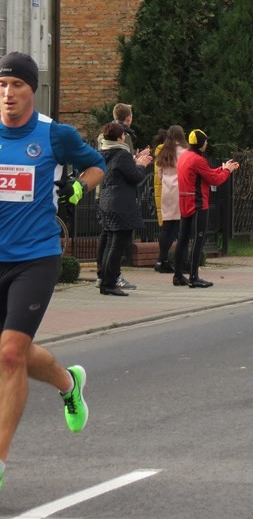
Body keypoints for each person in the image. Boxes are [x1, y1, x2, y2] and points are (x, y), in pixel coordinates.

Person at [0, 52, 105, 490]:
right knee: (14, 352)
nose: (8, 94)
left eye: (16, 85)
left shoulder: (54, 135)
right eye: (2, 85)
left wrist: (79, 186)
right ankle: (68, 383)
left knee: (10, 354)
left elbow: (97, 164)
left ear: (32, 90)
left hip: (36, 258)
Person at [173, 129, 240, 288]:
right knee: (199, 239)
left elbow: (206, 174)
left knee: (183, 239)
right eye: (206, 141)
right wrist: (227, 171)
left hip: (185, 201)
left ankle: (178, 275)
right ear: (202, 143)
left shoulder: (185, 156)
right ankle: (194, 277)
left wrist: (223, 168)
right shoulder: (198, 160)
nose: (207, 143)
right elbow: (214, 180)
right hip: (198, 203)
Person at [97, 122, 154, 295]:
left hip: (106, 202)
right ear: (120, 137)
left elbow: (120, 171)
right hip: (121, 204)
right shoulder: (122, 154)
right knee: (117, 246)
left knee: (110, 244)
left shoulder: (104, 152)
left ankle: (105, 281)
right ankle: (109, 283)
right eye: (123, 135)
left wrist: (134, 160)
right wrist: (142, 165)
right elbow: (135, 177)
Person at [154, 125, 188, 274]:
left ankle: (162, 260)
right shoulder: (185, 151)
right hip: (181, 190)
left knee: (167, 227)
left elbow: (159, 173)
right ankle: (183, 262)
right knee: (182, 227)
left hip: (167, 191)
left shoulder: (164, 151)